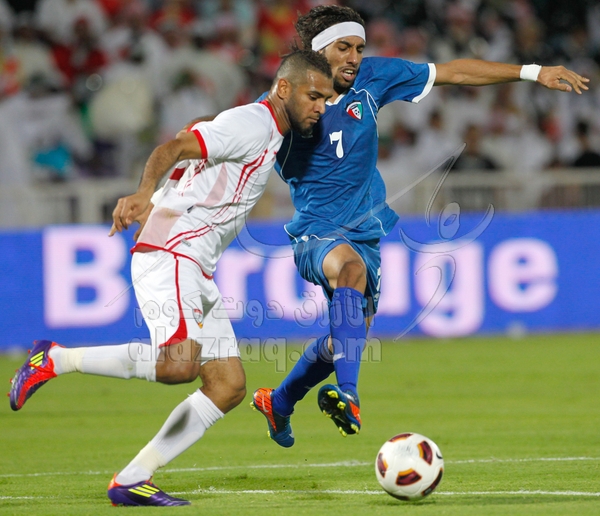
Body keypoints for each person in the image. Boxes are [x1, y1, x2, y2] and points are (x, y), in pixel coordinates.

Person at [251, 4, 589, 447]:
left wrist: (532, 71)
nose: (354, 57)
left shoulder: (373, 78)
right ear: (318, 52)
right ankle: (349, 394)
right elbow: (225, 137)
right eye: (344, 47)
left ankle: (278, 402)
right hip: (316, 229)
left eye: (359, 48)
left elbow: (454, 72)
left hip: (364, 231)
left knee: (343, 340)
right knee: (348, 271)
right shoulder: (281, 100)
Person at [9, 49, 333, 506]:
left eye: (325, 99)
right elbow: (174, 147)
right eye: (314, 96)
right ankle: (55, 359)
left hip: (194, 262)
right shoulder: (254, 123)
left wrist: (162, 198)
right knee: (178, 365)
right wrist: (145, 194)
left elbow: (191, 146)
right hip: (174, 253)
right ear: (284, 88)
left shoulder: (262, 129)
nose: (320, 107)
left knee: (227, 386)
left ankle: (132, 478)